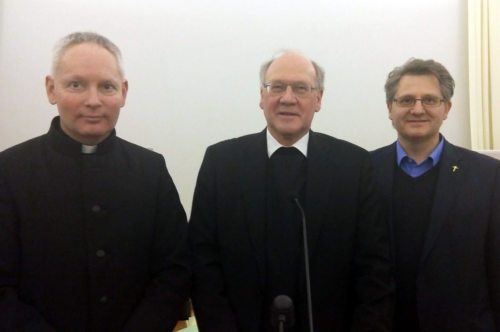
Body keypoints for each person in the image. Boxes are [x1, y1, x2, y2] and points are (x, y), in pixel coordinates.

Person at [189, 50, 393, 331]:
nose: (287, 98)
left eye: (300, 88)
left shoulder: (354, 166)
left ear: (318, 99)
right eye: (277, 87)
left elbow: (374, 270)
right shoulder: (221, 163)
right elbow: (203, 265)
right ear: (262, 96)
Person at [0, 32, 191, 331]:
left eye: (107, 86)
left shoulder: (151, 170)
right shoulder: (8, 172)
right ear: (51, 89)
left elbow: (174, 271)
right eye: (76, 85)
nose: (93, 101)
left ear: (124, 92)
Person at [371, 58, 500, 331]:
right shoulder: (363, 172)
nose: (418, 109)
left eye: (430, 100)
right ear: (389, 108)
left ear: (447, 108)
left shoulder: (488, 176)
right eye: (406, 100)